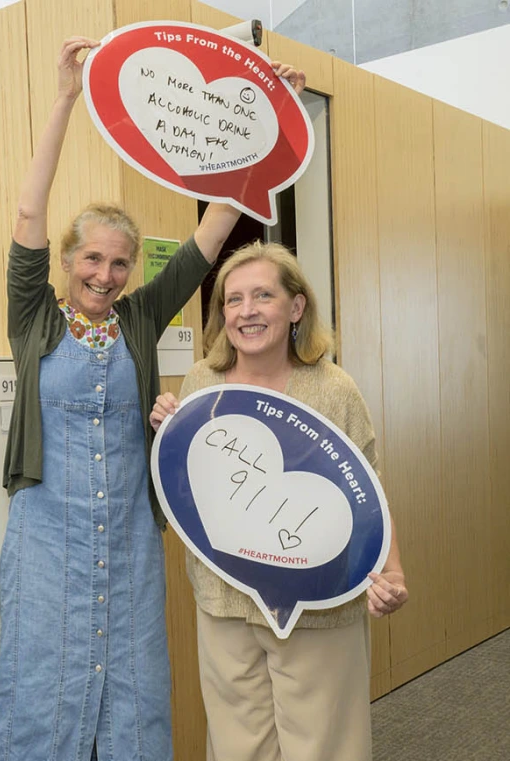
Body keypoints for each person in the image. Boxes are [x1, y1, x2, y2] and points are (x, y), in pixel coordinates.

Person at [0, 35, 307, 761]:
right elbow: (28, 212)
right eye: (93, 258)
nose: (105, 273)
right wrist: (66, 98)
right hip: (45, 539)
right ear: (68, 260)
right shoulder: (33, 314)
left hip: (129, 539)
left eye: (120, 262)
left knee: (130, 696)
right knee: (43, 690)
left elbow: (218, 224)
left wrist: (267, 115)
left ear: (135, 270)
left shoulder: (137, 317)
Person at [149, 240, 409, 761]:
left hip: (317, 600)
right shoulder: (203, 382)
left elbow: (367, 492)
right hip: (224, 600)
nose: (246, 311)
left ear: (296, 307)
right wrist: (167, 430)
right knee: (236, 746)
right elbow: (187, 484)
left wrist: (393, 574)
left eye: (262, 295)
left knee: (324, 745)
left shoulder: (334, 389)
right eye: (233, 299)